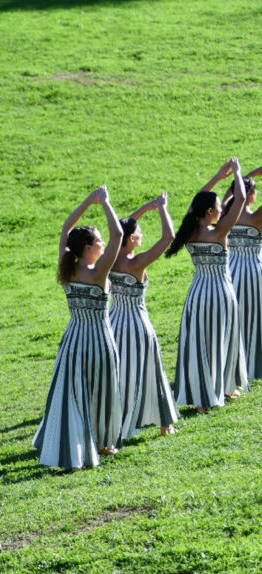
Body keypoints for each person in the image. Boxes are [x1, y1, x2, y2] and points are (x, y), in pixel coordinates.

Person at [34, 186, 123, 469]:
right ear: (89, 248)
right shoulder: (97, 273)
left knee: (75, 391)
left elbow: (65, 227)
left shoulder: (68, 268)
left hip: (73, 340)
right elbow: (119, 235)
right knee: (102, 389)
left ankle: (83, 442)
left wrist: (89, 201)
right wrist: (105, 203)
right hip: (98, 339)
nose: (102, 244)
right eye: (98, 242)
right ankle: (100, 442)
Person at [170, 159, 248, 411]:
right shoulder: (219, 232)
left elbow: (196, 201)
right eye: (217, 206)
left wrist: (217, 177)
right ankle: (217, 390)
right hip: (219, 292)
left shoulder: (190, 230)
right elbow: (242, 199)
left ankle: (210, 393)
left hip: (197, 293)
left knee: (200, 342)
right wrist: (236, 174)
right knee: (221, 338)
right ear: (211, 212)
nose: (221, 209)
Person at [109, 194, 179, 440]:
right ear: (132, 239)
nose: (142, 235)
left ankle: (116, 422)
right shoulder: (137, 263)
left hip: (113, 321)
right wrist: (161, 209)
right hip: (137, 324)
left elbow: (119, 229)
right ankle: (164, 424)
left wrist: (143, 210)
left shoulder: (111, 257)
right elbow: (168, 238)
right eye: (139, 232)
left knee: (119, 374)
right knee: (152, 370)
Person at [223, 169, 262, 385]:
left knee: (234, 317)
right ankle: (254, 362)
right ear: (253, 196)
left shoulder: (227, 215)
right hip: (253, 270)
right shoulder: (257, 216)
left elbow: (231, 194)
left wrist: (239, 178)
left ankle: (234, 361)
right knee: (255, 316)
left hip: (230, 271)